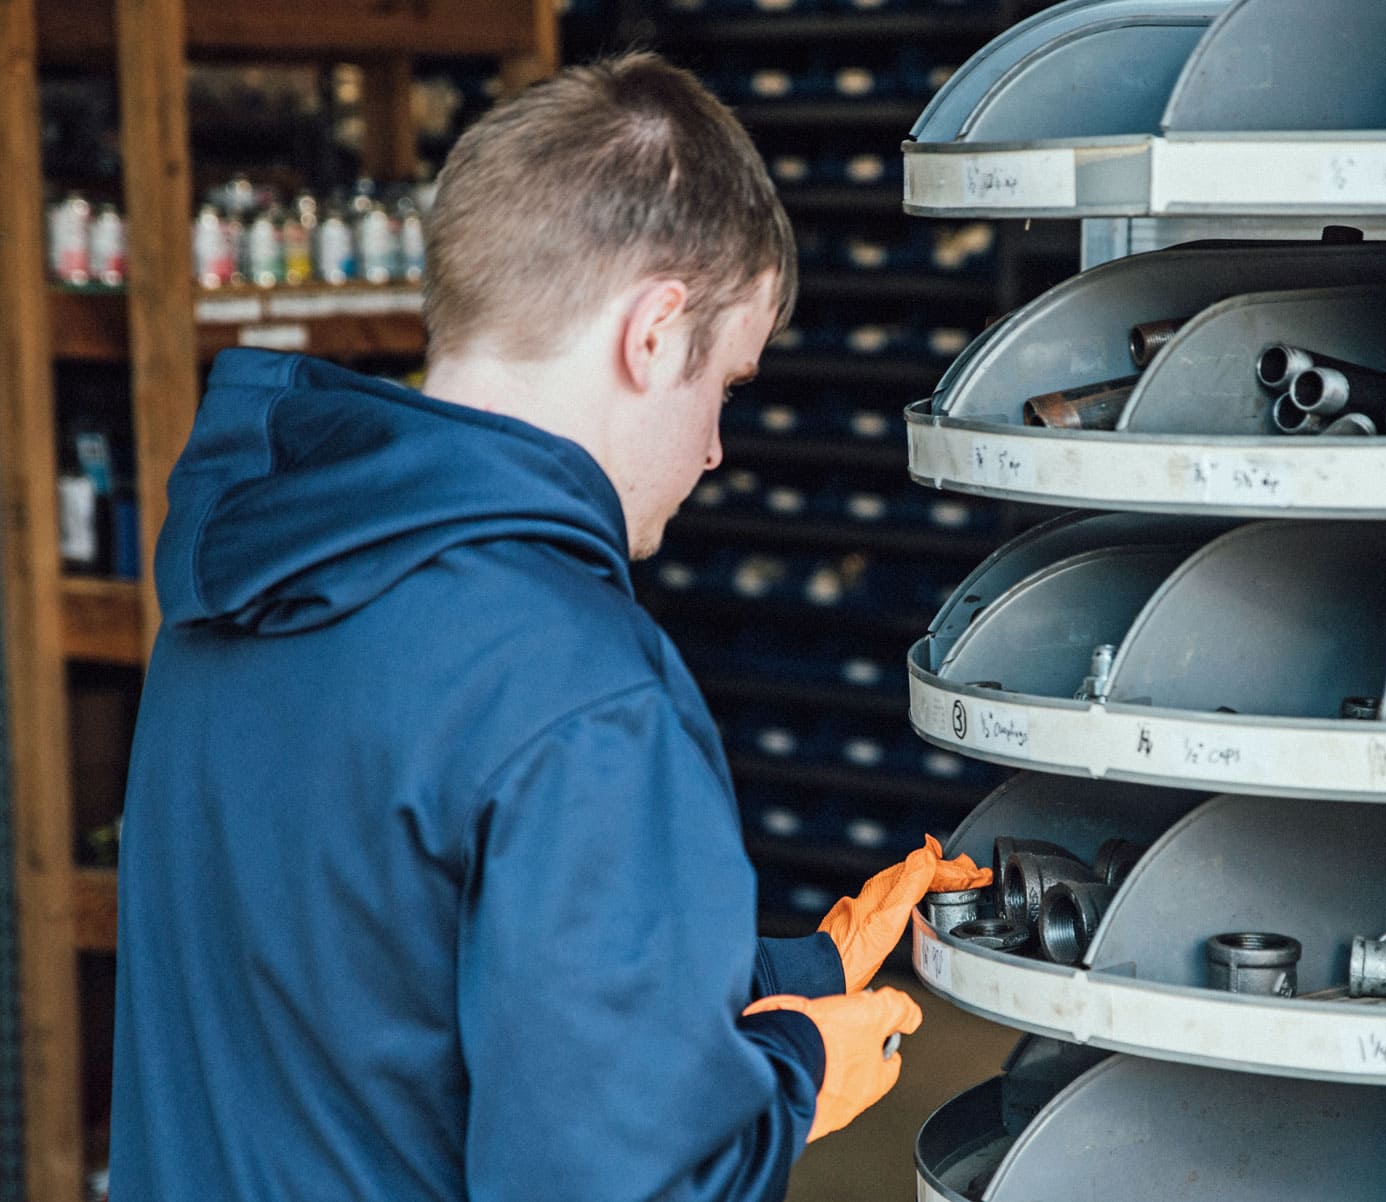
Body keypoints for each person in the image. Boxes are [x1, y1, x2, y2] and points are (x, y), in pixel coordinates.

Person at [109, 53, 988, 1201]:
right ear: (656, 330)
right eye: (726, 382)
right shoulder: (581, 690)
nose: (717, 447)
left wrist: (784, 973)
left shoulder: (250, 578)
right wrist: (790, 1074)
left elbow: (386, 990)